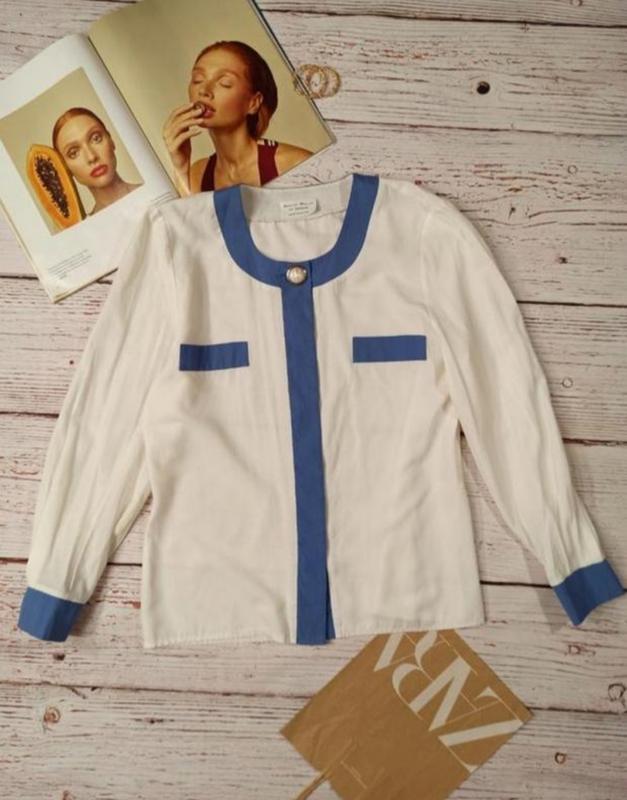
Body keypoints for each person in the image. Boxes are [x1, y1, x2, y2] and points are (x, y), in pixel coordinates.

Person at [163, 40, 313, 194]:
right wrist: (180, 168)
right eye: (198, 80)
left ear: (253, 103)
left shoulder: (297, 164)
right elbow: (187, 210)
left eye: (225, 83)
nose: (204, 90)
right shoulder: (198, 174)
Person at [52, 107, 141, 216]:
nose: (91, 157)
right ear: (65, 168)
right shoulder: (86, 226)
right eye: (74, 153)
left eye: (96, 138)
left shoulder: (155, 189)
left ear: (111, 141)